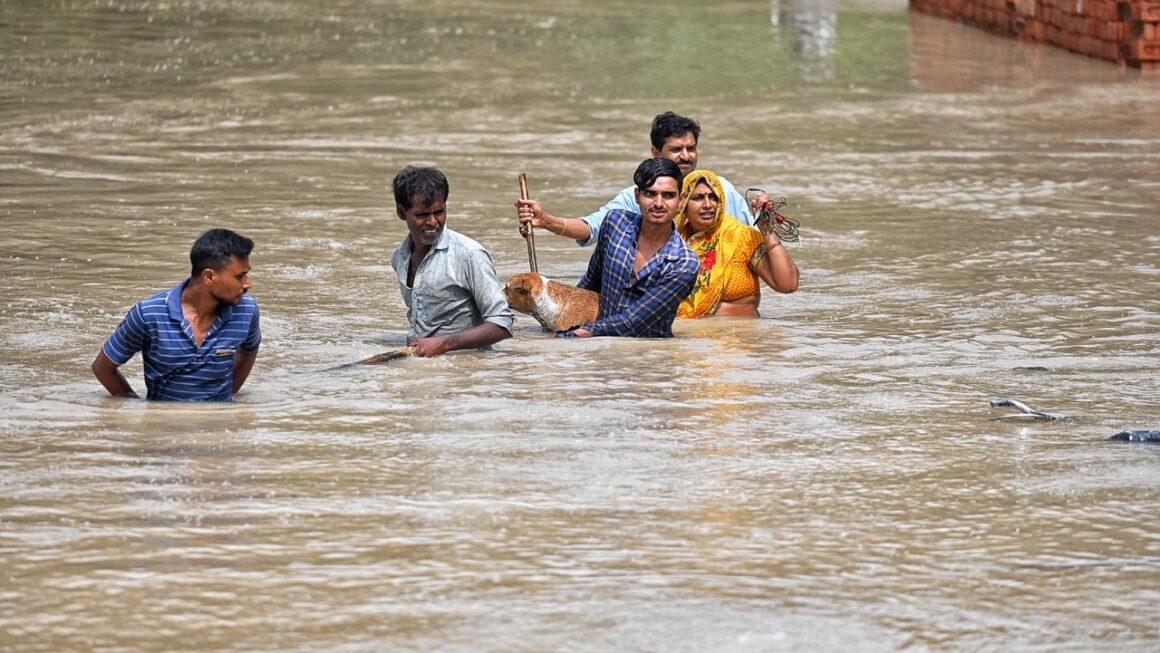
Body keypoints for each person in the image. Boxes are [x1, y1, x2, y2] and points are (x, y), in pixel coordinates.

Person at [515, 111, 754, 246]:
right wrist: (546, 220)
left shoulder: (721, 190)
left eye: (691, 148)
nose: (685, 156)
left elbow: (752, 239)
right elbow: (594, 227)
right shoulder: (639, 196)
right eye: (676, 149)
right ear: (655, 153)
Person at [92, 228, 261, 401]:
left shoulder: (246, 310)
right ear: (209, 276)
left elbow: (249, 350)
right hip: (164, 424)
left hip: (222, 426)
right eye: (240, 276)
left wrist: (224, 399)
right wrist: (136, 405)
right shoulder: (149, 314)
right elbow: (103, 368)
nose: (248, 283)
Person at [558, 158, 700, 338]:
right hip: (598, 346)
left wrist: (572, 335)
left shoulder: (684, 263)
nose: (658, 203)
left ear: (681, 200)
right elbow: (589, 285)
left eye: (668, 195)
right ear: (636, 195)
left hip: (652, 355)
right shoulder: (615, 224)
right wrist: (562, 320)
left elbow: (632, 321)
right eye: (650, 194)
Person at [390, 165, 513, 357]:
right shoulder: (400, 257)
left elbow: (502, 323)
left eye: (439, 212)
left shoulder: (469, 254)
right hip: (421, 364)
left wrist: (443, 344)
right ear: (401, 212)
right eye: (422, 215)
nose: (432, 222)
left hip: (465, 367)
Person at [674, 170, 800, 318]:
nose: (708, 205)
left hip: (739, 335)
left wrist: (766, 229)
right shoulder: (676, 243)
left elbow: (788, 284)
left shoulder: (742, 236)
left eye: (713, 197)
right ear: (684, 203)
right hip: (690, 336)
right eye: (698, 198)